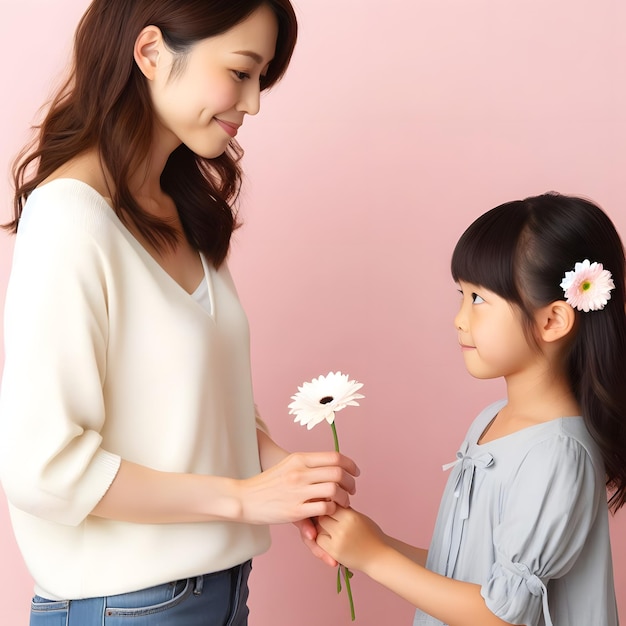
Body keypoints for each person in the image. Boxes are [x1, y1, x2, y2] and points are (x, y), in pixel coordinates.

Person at [0, 1, 359, 625]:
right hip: (127, 605)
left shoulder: (183, 211)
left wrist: (285, 474)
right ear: (150, 52)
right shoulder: (70, 219)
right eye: (241, 72)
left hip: (215, 591)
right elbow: (44, 468)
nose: (252, 103)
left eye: (261, 78)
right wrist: (244, 499)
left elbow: (194, 407)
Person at [316, 193, 626, 626]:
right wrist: (372, 542)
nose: (459, 318)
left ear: (552, 320)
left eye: (479, 299)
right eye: (461, 295)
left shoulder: (557, 454)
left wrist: (374, 557)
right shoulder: (490, 421)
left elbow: (501, 615)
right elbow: (467, 574)